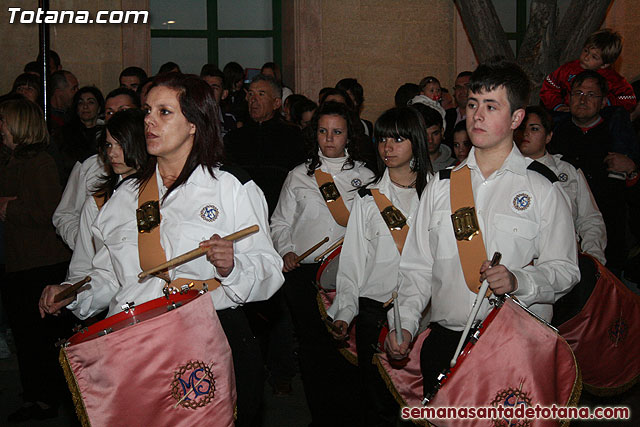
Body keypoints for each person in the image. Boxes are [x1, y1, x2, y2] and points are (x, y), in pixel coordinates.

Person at [40, 73, 284, 427]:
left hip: (213, 334)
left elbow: (269, 269)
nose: (149, 121)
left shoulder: (231, 187)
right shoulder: (125, 196)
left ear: (193, 125)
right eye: (147, 110)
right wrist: (73, 293)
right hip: (141, 342)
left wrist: (233, 267)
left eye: (164, 112)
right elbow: (109, 275)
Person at [385, 59, 580, 399]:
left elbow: (565, 270)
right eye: (473, 104)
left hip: (516, 346)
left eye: (491, 106)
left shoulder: (543, 189)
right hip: (447, 342)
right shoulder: (441, 186)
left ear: (517, 118)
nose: (477, 115)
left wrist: (520, 281)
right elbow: (416, 269)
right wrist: (403, 325)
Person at [270, 101, 374, 426]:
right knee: (314, 352)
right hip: (305, 277)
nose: (329, 138)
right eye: (323, 131)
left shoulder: (366, 176)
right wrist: (286, 250)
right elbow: (279, 224)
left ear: (349, 135)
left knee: (346, 352)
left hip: (350, 276)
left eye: (337, 132)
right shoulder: (299, 175)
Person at [328, 106, 433, 426]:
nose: (388, 146)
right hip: (375, 311)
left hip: (428, 314)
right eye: (383, 139)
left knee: (423, 405)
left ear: (416, 141)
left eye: (398, 138)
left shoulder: (439, 193)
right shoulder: (368, 199)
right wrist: (345, 312)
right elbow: (352, 264)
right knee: (377, 407)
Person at [0, 98, 72, 422]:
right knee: (25, 337)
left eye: (2, 121)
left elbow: (51, 213)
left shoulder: (39, 162)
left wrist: (9, 208)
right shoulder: (9, 160)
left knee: (39, 339)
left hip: (39, 263)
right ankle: (35, 394)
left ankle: (45, 399)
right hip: (17, 262)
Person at [549, 70, 638, 275]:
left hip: (611, 237)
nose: (582, 100)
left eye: (591, 95)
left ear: (604, 101)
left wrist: (631, 170)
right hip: (563, 241)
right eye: (577, 93)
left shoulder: (618, 135)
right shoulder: (554, 136)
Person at [62, 109, 149, 308]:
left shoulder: (168, 193)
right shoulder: (98, 203)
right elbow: (85, 268)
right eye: (109, 145)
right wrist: (72, 294)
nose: (112, 153)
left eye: (121, 144)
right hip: (122, 309)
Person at [517, 105, 607, 265]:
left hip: (565, 258)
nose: (526, 133)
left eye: (534, 129)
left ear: (548, 136)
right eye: (522, 128)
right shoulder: (505, 171)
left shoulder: (567, 169)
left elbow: (589, 218)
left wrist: (592, 258)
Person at [52, 87, 139, 250]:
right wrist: (87, 241)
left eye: (123, 111)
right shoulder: (91, 164)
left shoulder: (158, 168)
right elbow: (64, 214)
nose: (115, 118)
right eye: (110, 113)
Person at [224, 74, 305, 215]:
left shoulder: (292, 136)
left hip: (280, 211)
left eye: (261, 94)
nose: (254, 100)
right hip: (242, 211)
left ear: (276, 103)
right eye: (250, 94)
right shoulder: (234, 138)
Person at [540, 28, 636, 112]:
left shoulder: (613, 79)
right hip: (569, 114)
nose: (586, 57)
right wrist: (558, 106)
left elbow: (629, 99)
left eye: (594, 57)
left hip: (599, 121)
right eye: (586, 51)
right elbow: (549, 86)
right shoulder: (568, 69)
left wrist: (605, 104)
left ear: (605, 64)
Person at [50, 86, 105, 184]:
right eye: (81, 102)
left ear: (99, 108)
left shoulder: (105, 133)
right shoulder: (64, 134)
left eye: (90, 102)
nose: (85, 106)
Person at [411, 103, 455, 172]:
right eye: (425, 135)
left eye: (435, 133)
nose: (430, 140)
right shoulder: (409, 165)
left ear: (442, 132)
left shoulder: (455, 166)